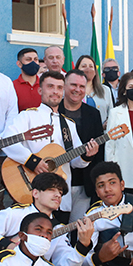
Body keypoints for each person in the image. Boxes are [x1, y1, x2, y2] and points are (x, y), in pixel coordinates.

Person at [1, 72, 99, 214]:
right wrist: (32, 161)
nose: (55, 92)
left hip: (60, 199)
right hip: (32, 193)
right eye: (50, 86)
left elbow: (75, 162)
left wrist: (87, 156)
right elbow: (7, 141)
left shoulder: (68, 124)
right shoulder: (27, 116)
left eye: (59, 88)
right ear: (40, 90)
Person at [0, 172, 94, 266]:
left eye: (60, 193)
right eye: (51, 190)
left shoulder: (58, 228)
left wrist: (83, 245)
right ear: (35, 193)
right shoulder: (14, 213)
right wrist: (8, 245)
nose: (58, 195)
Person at [58, 70, 105, 221]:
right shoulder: (53, 111)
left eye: (82, 86)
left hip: (84, 183)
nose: (77, 90)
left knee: (79, 226)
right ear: (64, 86)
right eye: (73, 85)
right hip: (56, 180)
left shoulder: (93, 114)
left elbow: (99, 154)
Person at [76, 55, 112, 124]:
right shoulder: (72, 90)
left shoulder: (105, 90)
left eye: (91, 66)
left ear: (95, 71)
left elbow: (111, 114)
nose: (88, 69)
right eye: (84, 66)